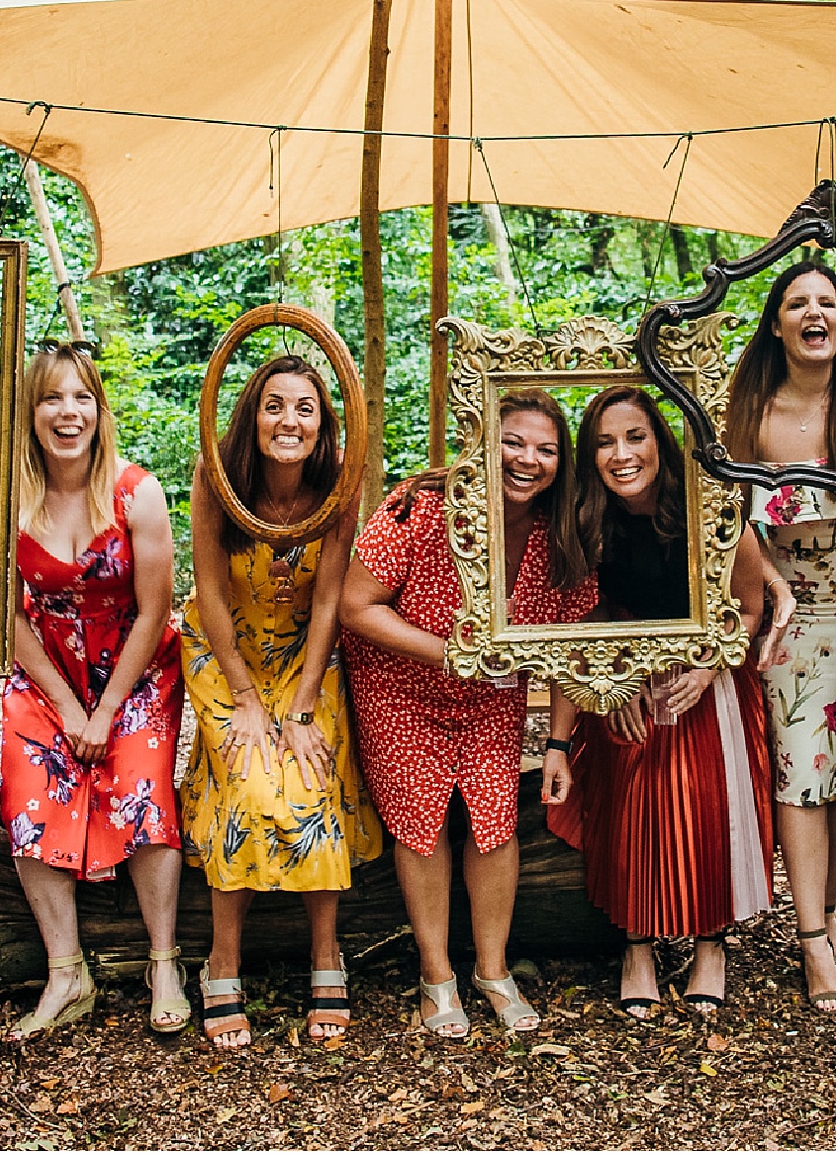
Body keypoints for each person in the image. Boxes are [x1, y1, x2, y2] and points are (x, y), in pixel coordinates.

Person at [340, 389, 597, 1038]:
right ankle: (436, 976)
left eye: (544, 449)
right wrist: (447, 655)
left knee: (494, 819)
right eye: (514, 442)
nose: (527, 459)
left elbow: (569, 649)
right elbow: (356, 606)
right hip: (400, 683)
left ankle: (492, 969)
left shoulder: (559, 531)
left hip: (490, 695)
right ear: (485, 441)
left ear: (560, 463)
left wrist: (560, 746)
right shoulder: (420, 506)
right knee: (422, 819)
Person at [544, 386, 774, 1017]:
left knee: (707, 805)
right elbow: (573, 635)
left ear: (660, 442)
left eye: (634, 436)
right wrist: (566, 733)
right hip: (619, 683)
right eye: (604, 443)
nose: (621, 454)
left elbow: (751, 610)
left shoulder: (710, 509)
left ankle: (710, 944)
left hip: (707, 679)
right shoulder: (585, 524)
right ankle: (638, 946)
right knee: (630, 805)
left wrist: (706, 668)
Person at [179, 354, 382, 1050]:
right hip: (224, 651)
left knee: (309, 769)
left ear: (323, 422)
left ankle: (326, 953)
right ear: (251, 414)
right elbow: (208, 594)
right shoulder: (218, 475)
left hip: (305, 654)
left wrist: (299, 707)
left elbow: (329, 598)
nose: (287, 420)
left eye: (304, 408)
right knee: (247, 772)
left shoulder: (338, 484)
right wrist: (244, 697)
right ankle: (222, 959)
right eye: (274, 405)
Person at [0, 344, 189, 1038]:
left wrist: (105, 708)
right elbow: (2, 614)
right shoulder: (4, 499)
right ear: (31, 412)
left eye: (82, 398)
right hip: (46, 669)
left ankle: (165, 961)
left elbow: (156, 609)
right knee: (29, 791)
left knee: (140, 785)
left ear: (100, 410)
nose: (68, 412)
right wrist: (70, 707)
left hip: (135, 666)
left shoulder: (138, 491)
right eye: (51, 399)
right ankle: (66, 971)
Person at [724, 259, 836, 1015]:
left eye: (827, 302)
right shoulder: (752, 406)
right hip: (793, 613)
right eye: (798, 303)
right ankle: (813, 939)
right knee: (801, 772)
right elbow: (723, 508)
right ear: (778, 323)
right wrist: (769, 581)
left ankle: (826, 908)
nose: (814, 313)